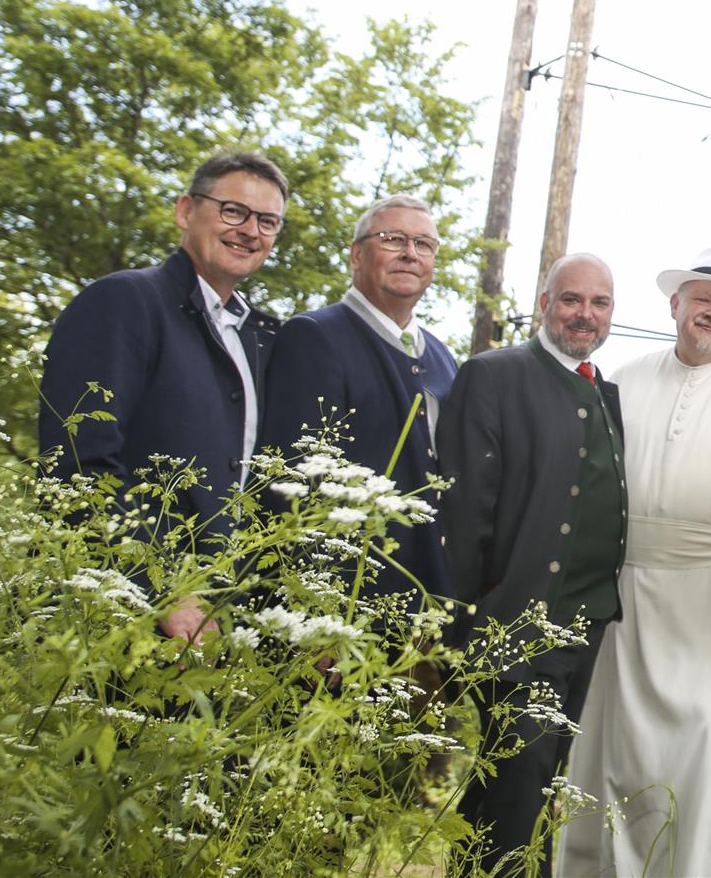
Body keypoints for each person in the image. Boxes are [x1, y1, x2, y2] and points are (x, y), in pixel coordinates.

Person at [562, 249, 711, 877]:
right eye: (702, 300)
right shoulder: (619, 379)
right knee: (623, 756)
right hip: (629, 600)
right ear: (674, 305)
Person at [37, 149, 287, 640]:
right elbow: (78, 464)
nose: (250, 230)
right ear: (185, 211)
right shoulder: (124, 301)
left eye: (268, 221)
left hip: (221, 623)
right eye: (233, 211)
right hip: (116, 616)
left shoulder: (263, 338)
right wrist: (164, 585)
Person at [438, 253, 627, 875]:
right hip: (516, 620)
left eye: (599, 304)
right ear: (545, 302)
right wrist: (460, 622)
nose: (584, 314)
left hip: (589, 621)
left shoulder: (608, 393)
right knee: (519, 781)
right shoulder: (493, 375)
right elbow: (464, 509)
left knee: (532, 782)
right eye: (571, 299)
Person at [261, 194, 456, 602]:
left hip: (423, 601)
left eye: (424, 244)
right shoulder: (314, 337)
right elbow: (293, 481)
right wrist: (313, 601)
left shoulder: (442, 358)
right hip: (342, 601)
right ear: (356, 255)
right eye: (392, 239)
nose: (409, 253)